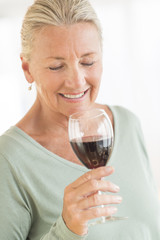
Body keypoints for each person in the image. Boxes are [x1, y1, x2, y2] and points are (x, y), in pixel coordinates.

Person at [0, 0, 160, 239]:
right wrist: (67, 229)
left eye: (88, 62)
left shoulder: (128, 124)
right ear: (27, 68)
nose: (77, 81)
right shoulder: (9, 159)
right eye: (56, 66)